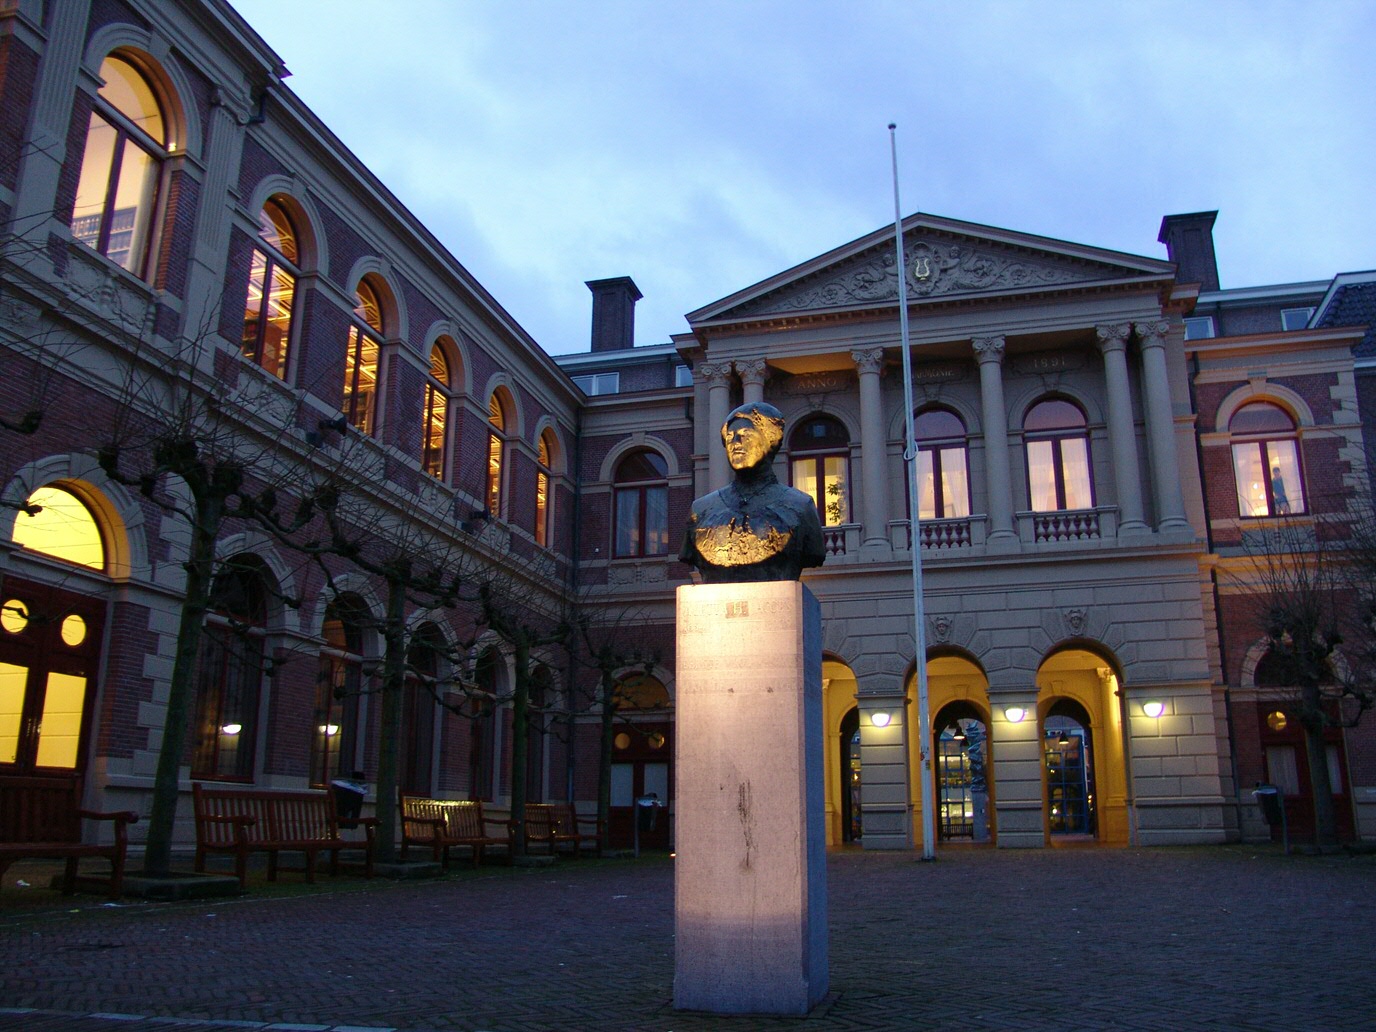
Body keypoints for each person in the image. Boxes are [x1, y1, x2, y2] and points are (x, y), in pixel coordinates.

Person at [679, 401, 826, 583]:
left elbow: (814, 554)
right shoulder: (700, 510)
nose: (735, 443)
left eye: (745, 435)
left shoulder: (801, 507)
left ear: (770, 440)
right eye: (730, 437)